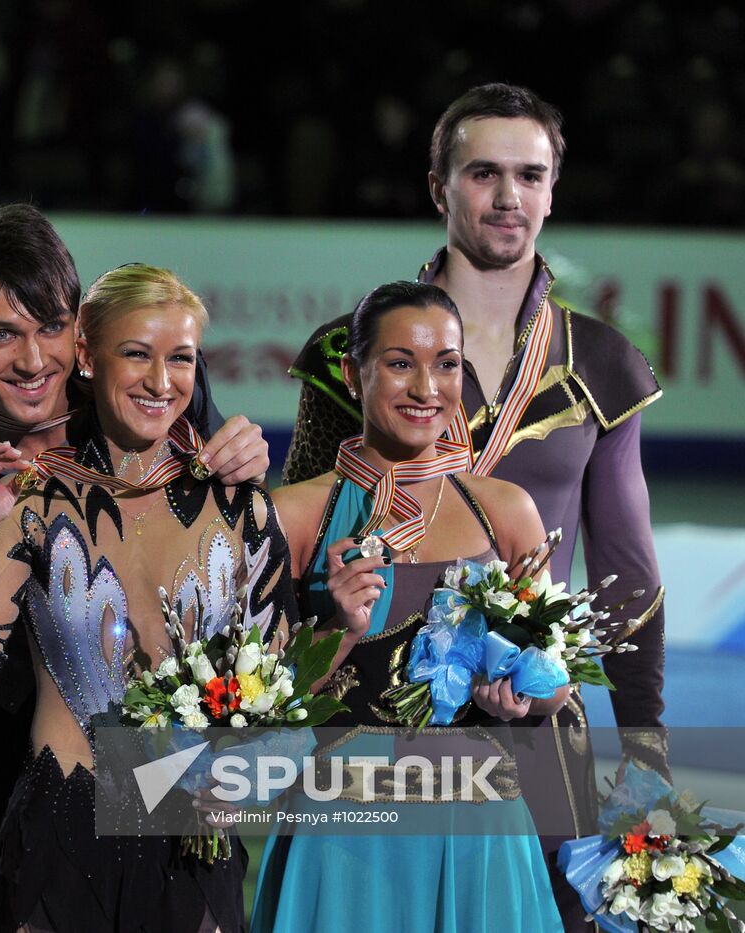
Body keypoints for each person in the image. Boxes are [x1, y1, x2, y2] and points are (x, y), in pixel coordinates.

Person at [279, 84, 665, 930]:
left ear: (554, 190)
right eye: (483, 172)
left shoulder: (600, 361)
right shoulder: (352, 353)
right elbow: (287, 566)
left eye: (530, 175)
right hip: (364, 740)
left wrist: (647, 757)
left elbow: (629, 581)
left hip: (532, 726)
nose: (507, 196)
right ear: (437, 185)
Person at [0, 203, 273, 928]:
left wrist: (240, 458)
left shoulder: (132, 389)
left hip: (145, 769)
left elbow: (221, 539)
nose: (34, 359)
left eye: (51, 327)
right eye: (1, 334)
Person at [0, 263, 298, 932]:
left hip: (189, 835)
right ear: (85, 356)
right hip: (59, 833)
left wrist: (238, 775)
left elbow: (277, 683)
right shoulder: (37, 499)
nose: (162, 382)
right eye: (137, 354)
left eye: (181, 358)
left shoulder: (240, 507)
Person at [252, 281, 566, 932]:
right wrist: (336, 629)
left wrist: (524, 698)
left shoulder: (506, 510)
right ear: (352, 371)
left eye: (446, 364)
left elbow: (554, 684)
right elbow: (261, 712)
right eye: (400, 363)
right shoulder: (295, 515)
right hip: (343, 827)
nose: (427, 388)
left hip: (479, 816)